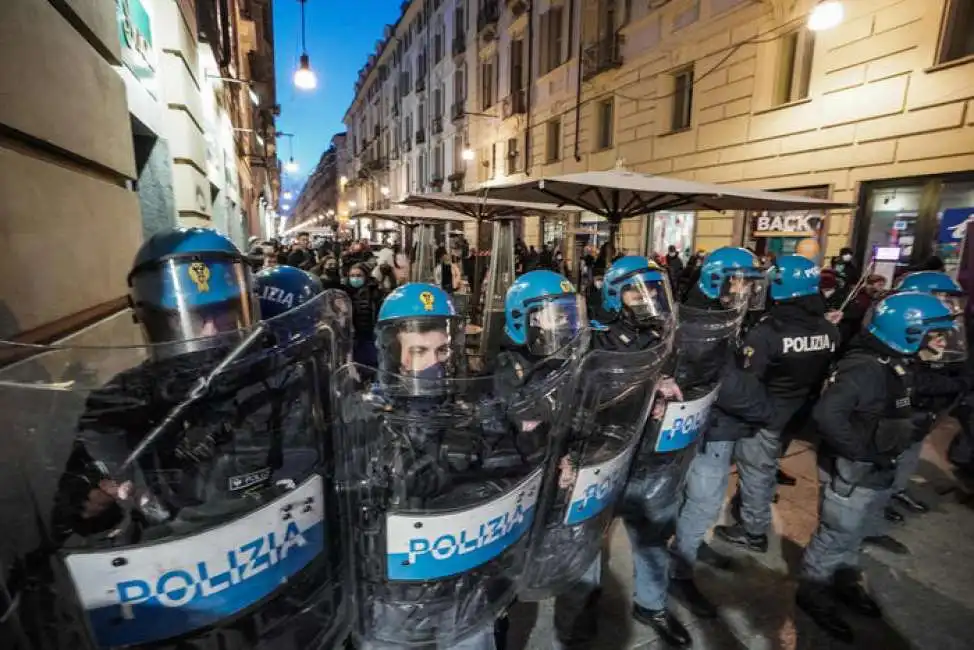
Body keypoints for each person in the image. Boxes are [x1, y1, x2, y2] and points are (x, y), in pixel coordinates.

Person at [10, 228, 351, 650]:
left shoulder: (285, 383)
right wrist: (95, 508)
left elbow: (306, 483)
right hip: (179, 623)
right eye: (185, 318)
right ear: (150, 322)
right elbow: (74, 521)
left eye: (224, 314)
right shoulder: (118, 406)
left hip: (281, 608)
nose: (207, 331)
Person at [336, 283, 571, 649]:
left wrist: (541, 453)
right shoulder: (361, 416)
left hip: (464, 586)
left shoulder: (476, 409)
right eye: (419, 351)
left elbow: (513, 478)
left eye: (442, 349)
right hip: (390, 597)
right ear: (391, 353)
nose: (435, 362)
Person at [797, 291, 958, 643]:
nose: (944, 341)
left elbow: (914, 385)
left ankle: (842, 580)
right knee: (836, 535)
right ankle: (813, 592)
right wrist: (861, 452)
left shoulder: (893, 358)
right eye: (937, 334)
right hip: (858, 470)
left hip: (877, 466)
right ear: (908, 332)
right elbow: (827, 414)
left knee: (854, 533)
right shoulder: (865, 369)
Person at [670, 247, 773, 623]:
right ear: (718, 281)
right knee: (704, 501)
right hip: (710, 427)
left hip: (711, 425)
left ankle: (686, 545)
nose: (747, 289)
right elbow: (726, 383)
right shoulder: (705, 323)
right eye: (741, 281)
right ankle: (680, 566)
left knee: (692, 497)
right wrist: (766, 410)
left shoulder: (717, 313)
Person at [713, 256, 840, 553]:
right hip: (799, 413)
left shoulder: (768, 332)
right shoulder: (828, 328)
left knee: (756, 470)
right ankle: (760, 501)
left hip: (766, 414)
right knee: (769, 462)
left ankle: (752, 530)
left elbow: (748, 378)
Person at [862, 271, 970, 554]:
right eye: (940, 299)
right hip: (899, 416)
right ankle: (870, 521)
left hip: (924, 412)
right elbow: (908, 377)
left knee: (905, 462)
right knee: (884, 469)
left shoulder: (939, 331)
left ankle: (891, 499)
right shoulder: (894, 335)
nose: (947, 308)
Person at [346, 263, 383, 367]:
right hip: (352, 338)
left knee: (370, 364)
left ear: (366, 276)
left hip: (369, 336)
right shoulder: (345, 292)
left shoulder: (375, 292)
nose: (355, 279)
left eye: (359, 275)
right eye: (352, 276)